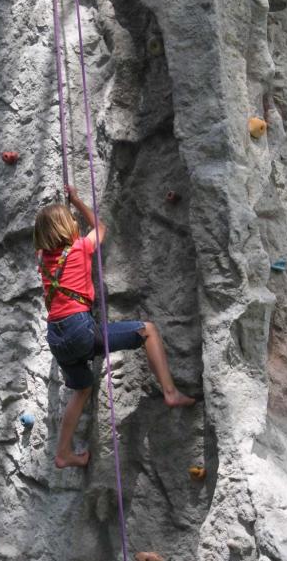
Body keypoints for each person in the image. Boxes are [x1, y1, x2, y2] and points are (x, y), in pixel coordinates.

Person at [34, 186, 196, 469]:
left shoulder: (42, 261)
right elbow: (100, 227)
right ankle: (170, 392)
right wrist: (78, 202)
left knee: (81, 389)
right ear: (66, 227)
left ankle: (63, 453)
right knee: (148, 330)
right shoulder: (81, 247)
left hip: (56, 336)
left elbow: (49, 240)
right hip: (77, 328)